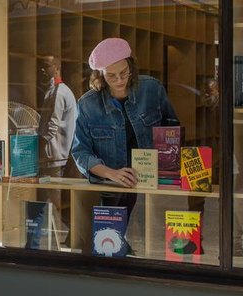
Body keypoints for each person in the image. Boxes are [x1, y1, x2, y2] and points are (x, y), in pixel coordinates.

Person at [72, 37, 179, 254]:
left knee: (154, 248)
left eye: (124, 72)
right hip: (111, 189)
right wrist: (111, 173)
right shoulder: (87, 104)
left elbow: (172, 129)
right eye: (111, 76)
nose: (120, 80)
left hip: (152, 186)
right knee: (110, 247)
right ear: (100, 75)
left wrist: (168, 166)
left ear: (131, 66)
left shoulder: (152, 89)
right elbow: (81, 152)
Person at [33, 55, 77, 247]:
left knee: (56, 201)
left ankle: (78, 234)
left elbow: (52, 125)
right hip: (55, 155)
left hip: (54, 156)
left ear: (57, 67)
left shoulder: (59, 92)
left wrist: (36, 144)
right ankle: (33, 242)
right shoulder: (56, 90)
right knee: (47, 200)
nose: (43, 69)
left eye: (47, 66)